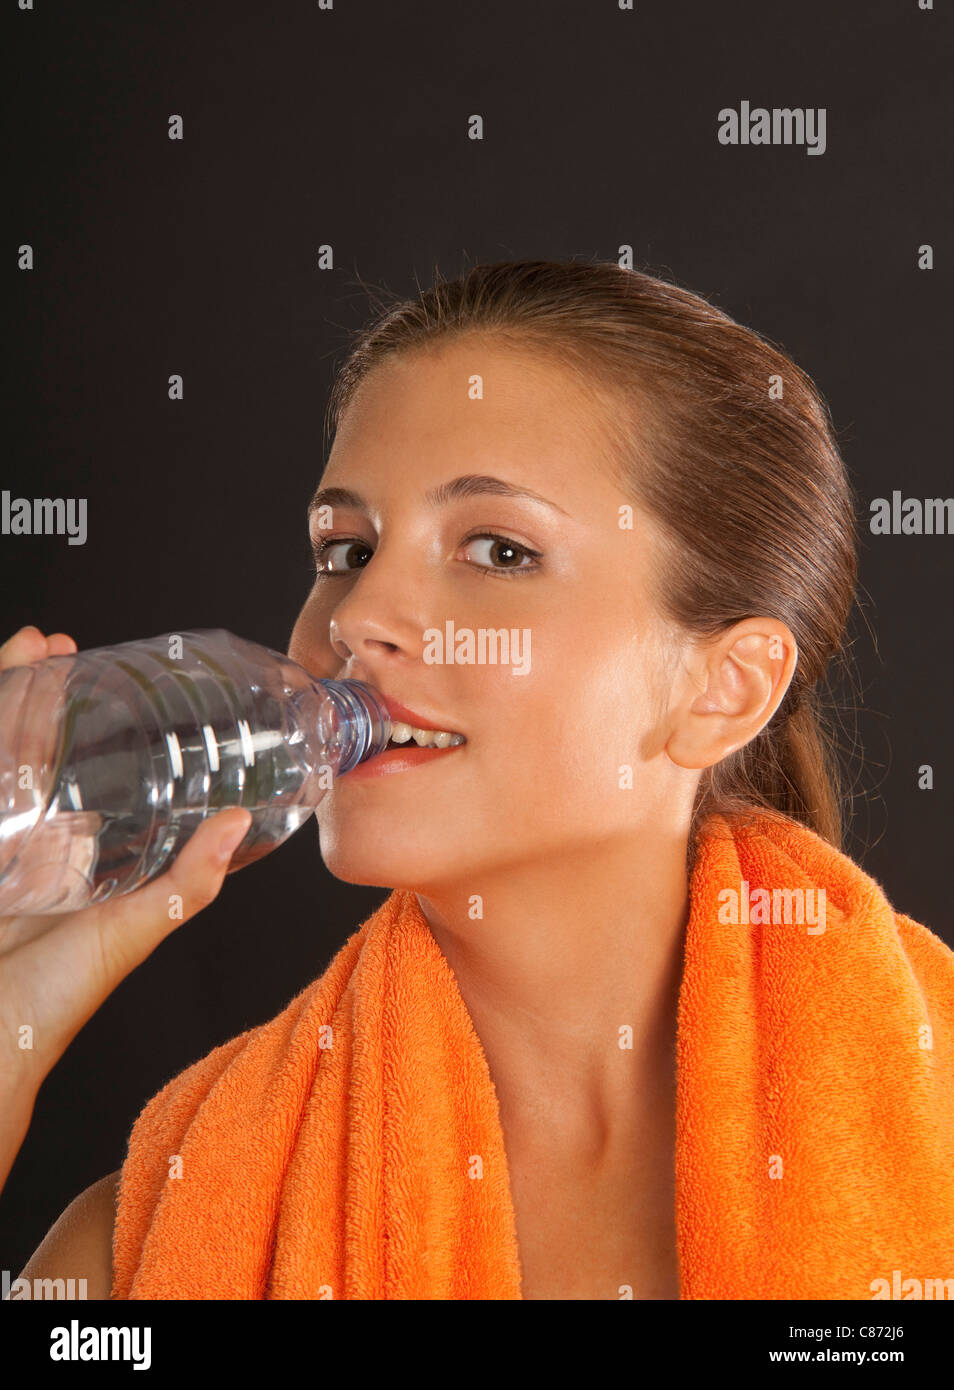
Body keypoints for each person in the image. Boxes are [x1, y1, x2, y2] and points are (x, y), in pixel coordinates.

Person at [3, 260, 950, 1300]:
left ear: (722, 689)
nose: (356, 619)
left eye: (498, 549)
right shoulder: (151, 1238)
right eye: (347, 547)